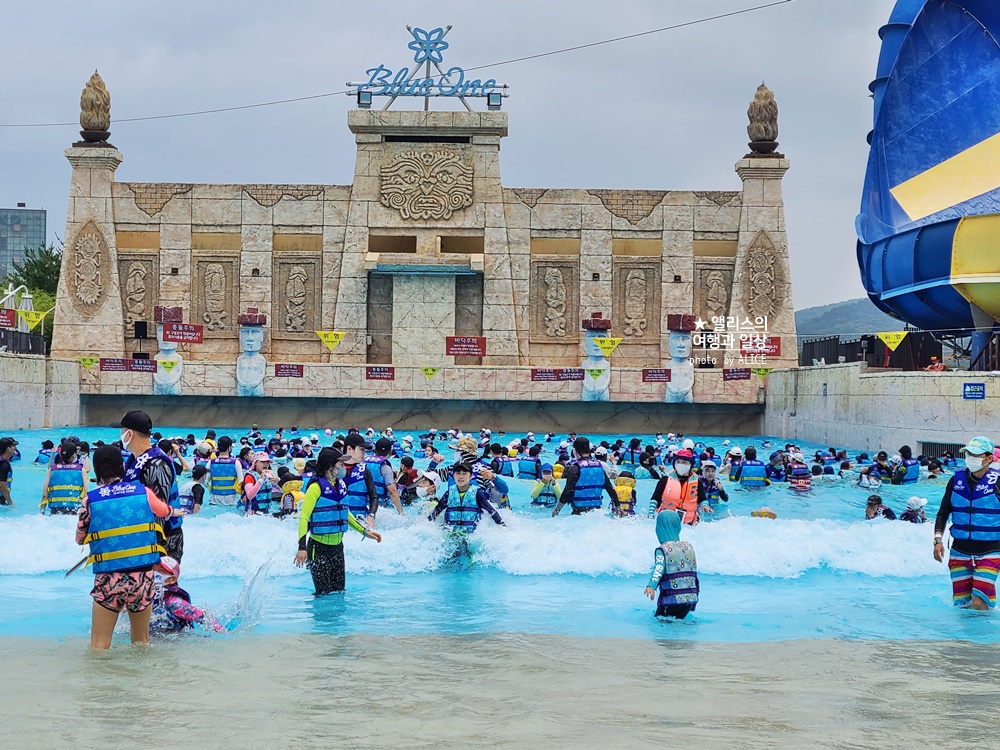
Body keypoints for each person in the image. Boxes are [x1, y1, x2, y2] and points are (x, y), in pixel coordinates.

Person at [76, 445, 183, 650]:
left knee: (99, 644)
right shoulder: (144, 492)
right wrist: (173, 511)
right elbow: (163, 511)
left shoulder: (90, 500)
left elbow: (80, 538)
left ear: (97, 471)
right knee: (141, 642)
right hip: (142, 578)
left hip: (109, 579)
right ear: (122, 467)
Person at [294, 447, 382, 595]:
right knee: (323, 594)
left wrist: (365, 532)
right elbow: (304, 518)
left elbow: (345, 513)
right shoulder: (315, 488)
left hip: (337, 548)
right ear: (330, 466)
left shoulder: (341, 485)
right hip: (318, 548)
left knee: (339, 592)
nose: (343, 466)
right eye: (340, 463)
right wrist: (302, 548)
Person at [934, 436, 1000, 610]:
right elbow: (943, 513)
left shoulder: (998, 482)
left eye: (976, 454)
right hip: (959, 550)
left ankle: (984, 625)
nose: (971, 458)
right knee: (962, 605)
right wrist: (938, 540)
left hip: (991, 550)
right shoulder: (955, 481)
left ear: (989, 458)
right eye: (969, 453)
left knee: (978, 602)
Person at [119, 411, 181, 559]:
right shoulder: (134, 461)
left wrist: (152, 549)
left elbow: (160, 512)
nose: (120, 435)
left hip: (163, 542)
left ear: (129, 434)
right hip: (140, 539)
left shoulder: (156, 464)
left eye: (122, 431)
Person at [643, 510, 699, 619]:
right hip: (689, 600)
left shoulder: (663, 550)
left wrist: (651, 586)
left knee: (660, 623)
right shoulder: (688, 547)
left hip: (671, 600)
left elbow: (658, 569)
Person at [150, 556, 224, 634]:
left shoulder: (175, 603)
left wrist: (222, 632)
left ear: (171, 579)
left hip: (175, 637)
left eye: (160, 570)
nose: (154, 572)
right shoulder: (148, 594)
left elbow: (203, 618)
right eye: (153, 569)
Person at [428, 462, 504, 531]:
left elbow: (491, 511)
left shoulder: (477, 494)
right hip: (450, 532)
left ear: (471, 476)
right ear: (453, 476)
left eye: (464, 473)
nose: (460, 477)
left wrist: (502, 525)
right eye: (458, 473)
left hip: (470, 534)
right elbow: (436, 512)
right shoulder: (449, 494)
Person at [552, 437, 618, 516]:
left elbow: (568, 491)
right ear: (589, 450)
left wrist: (557, 509)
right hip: (597, 512)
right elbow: (609, 488)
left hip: (579, 512)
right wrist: (618, 506)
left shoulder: (575, 468)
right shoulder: (599, 466)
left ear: (574, 451)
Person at [647, 449, 704, 524]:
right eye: (678, 462)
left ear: (691, 464)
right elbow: (655, 497)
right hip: (666, 521)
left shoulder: (697, 481)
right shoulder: (666, 478)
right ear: (674, 463)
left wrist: (704, 505)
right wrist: (650, 514)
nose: (681, 464)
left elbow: (702, 498)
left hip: (689, 524)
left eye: (684, 462)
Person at [342, 433, 380, 528]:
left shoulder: (365, 471)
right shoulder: (333, 470)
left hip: (360, 522)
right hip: (339, 523)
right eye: (361, 449)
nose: (364, 453)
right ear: (349, 449)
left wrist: (371, 516)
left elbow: (374, 497)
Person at [40, 441, 88, 515]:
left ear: (60, 454)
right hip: (74, 512)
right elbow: (86, 495)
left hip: (55, 512)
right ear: (74, 455)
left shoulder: (51, 470)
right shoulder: (81, 470)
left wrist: (42, 511)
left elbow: (44, 494)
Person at [366, 437, 404, 516]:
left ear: (375, 450)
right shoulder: (385, 467)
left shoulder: (363, 461)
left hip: (363, 503)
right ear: (390, 451)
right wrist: (401, 512)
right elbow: (392, 491)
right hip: (378, 507)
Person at [208, 436, 244, 506]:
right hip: (231, 501)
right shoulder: (236, 462)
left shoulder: (211, 462)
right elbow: (241, 482)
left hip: (214, 500)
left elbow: (205, 481)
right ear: (229, 447)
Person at [0, 437, 17, 505]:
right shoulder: (4, 465)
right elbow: (3, 486)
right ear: (8, 449)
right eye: (13, 446)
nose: (15, 448)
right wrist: (10, 503)